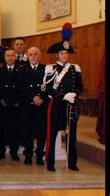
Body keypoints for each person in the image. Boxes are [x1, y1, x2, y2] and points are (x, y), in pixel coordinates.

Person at [42, 23, 83, 172]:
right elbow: (47, 89)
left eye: (66, 53)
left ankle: (72, 163)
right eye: (62, 53)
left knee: (72, 135)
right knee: (53, 134)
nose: (64, 55)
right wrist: (62, 95)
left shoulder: (75, 68)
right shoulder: (50, 68)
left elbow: (80, 86)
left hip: (71, 105)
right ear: (56, 55)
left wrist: (74, 94)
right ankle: (51, 163)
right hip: (57, 105)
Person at [19, 47, 47, 166]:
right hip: (28, 104)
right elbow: (21, 86)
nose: (33, 57)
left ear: (39, 55)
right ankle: (28, 155)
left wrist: (41, 98)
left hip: (41, 104)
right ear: (27, 56)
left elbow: (49, 86)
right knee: (28, 131)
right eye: (31, 54)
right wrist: (33, 97)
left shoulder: (46, 69)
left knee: (41, 132)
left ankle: (40, 155)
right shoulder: (22, 69)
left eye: (35, 54)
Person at [0, 49, 21, 162]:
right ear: (4, 57)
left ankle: (14, 152)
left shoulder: (20, 69)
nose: (10, 58)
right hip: (2, 104)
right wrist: (1, 99)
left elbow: (22, 87)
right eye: (8, 56)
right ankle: (1, 153)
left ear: (15, 57)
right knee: (1, 130)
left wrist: (19, 100)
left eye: (12, 56)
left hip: (16, 104)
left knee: (14, 130)